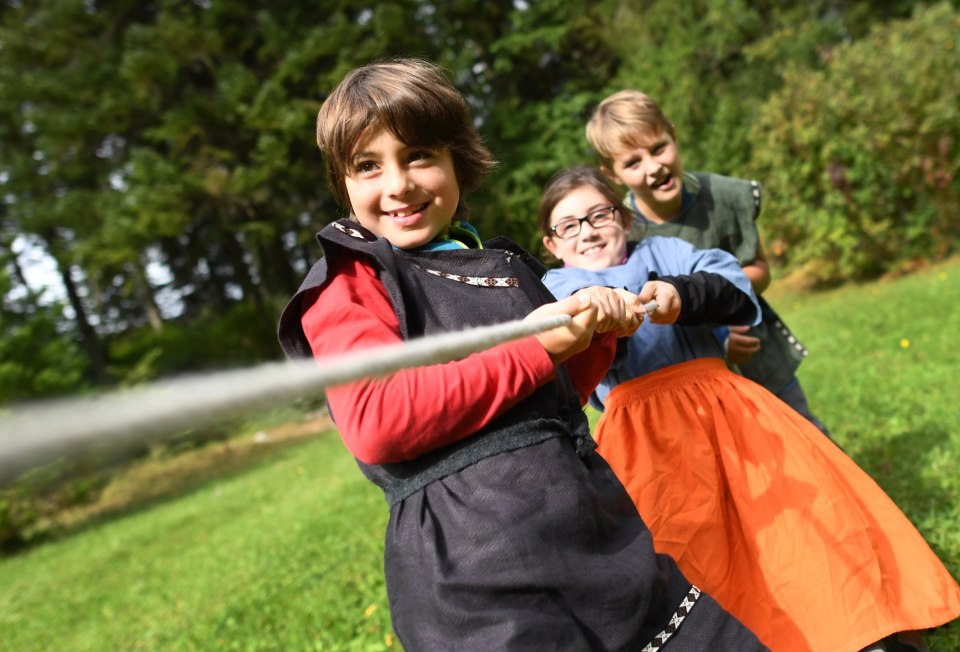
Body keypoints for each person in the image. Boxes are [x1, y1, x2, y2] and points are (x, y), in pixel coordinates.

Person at [277, 59, 766, 651]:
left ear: (458, 157)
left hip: (594, 532)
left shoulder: (497, 263)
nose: (398, 184)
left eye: (419, 156)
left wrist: (593, 334)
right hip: (481, 582)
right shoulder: (348, 284)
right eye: (368, 166)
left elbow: (549, 396)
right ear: (343, 181)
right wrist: (535, 347)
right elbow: (376, 423)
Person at [538, 165, 960, 652]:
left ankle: (861, 633)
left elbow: (733, 284)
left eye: (600, 214)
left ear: (626, 219)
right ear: (552, 243)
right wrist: (600, 315)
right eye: (569, 225)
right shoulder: (553, 286)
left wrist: (681, 294)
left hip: (727, 409)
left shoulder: (665, 251)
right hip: (642, 436)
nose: (587, 231)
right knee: (684, 545)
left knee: (793, 521)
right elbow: (559, 345)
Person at [586, 89, 830, 436]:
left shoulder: (724, 197)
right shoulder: (619, 230)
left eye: (658, 148)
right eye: (633, 163)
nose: (654, 167)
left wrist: (718, 306)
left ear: (673, 133)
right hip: (687, 372)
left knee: (802, 436)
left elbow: (759, 269)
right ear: (612, 174)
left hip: (752, 345)